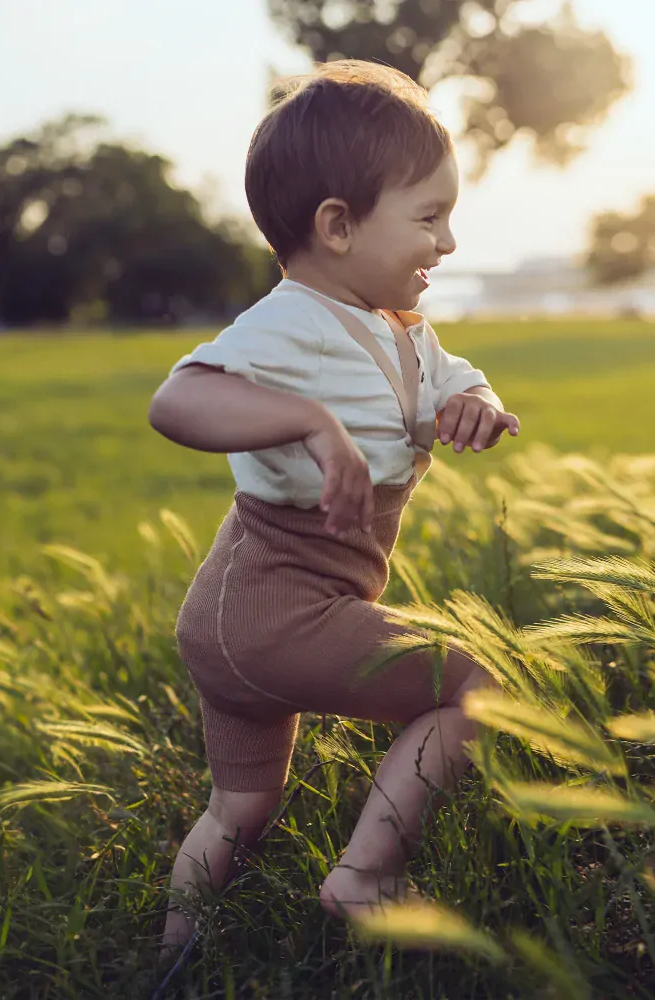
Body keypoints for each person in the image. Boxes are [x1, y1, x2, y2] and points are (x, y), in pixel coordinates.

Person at [147, 60, 520, 951]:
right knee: (472, 685)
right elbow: (177, 400)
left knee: (240, 808)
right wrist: (310, 422)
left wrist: (476, 404)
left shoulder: (403, 332)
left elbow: (454, 384)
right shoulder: (292, 324)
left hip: (236, 618)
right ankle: (366, 874)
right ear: (338, 226)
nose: (448, 243)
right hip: (275, 610)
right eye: (429, 217)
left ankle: (171, 960)